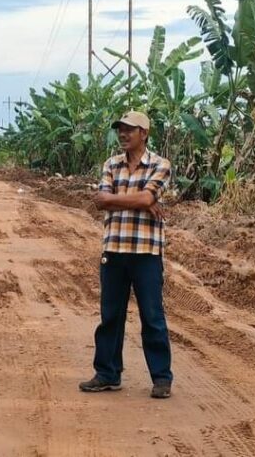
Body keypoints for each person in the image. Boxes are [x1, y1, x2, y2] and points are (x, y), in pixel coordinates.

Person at [79, 110, 174, 399]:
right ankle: (107, 374)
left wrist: (121, 199)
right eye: (120, 129)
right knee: (110, 316)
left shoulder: (160, 165)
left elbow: (141, 197)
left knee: (152, 316)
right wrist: (141, 201)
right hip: (114, 249)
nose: (123, 134)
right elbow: (101, 201)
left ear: (144, 133)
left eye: (129, 129)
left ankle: (161, 378)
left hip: (146, 252)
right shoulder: (111, 164)